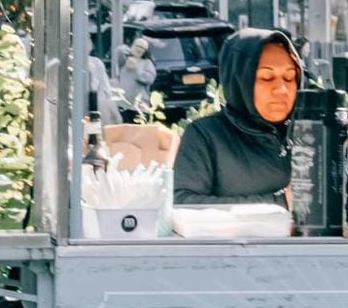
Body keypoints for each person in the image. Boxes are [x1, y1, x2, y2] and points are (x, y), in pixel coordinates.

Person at [173, 28, 302, 204]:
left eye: (289, 77)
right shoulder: (206, 136)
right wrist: (277, 203)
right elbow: (184, 203)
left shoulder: (313, 134)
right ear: (239, 80)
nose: (281, 89)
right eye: (266, 77)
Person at [116, 37, 157, 120]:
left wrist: (137, 69)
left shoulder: (147, 63)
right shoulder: (124, 60)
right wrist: (128, 51)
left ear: (145, 51)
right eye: (137, 46)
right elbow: (118, 51)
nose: (139, 49)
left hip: (139, 106)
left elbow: (150, 79)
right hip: (122, 104)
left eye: (142, 48)